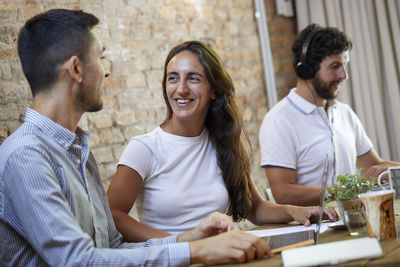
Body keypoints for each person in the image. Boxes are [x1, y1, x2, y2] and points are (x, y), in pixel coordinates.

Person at [0, 9, 277, 266]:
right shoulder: (26, 155)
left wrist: (186, 239)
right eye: (100, 57)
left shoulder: (78, 152)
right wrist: (196, 251)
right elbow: (78, 261)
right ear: (76, 69)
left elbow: (111, 248)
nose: (106, 70)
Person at [107, 40, 338, 243]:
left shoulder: (222, 143)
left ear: (214, 91)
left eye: (193, 78)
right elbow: (113, 216)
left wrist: (296, 212)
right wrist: (181, 242)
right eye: (173, 78)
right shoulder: (144, 148)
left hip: (219, 257)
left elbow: (254, 208)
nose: (181, 89)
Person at [259, 24, 400, 206]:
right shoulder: (278, 121)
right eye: (335, 66)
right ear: (307, 70)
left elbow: (375, 166)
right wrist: (357, 186)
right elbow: (284, 193)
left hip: (354, 219)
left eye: (345, 65)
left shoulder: (344, 113)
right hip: (314, 230)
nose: (344, 75)